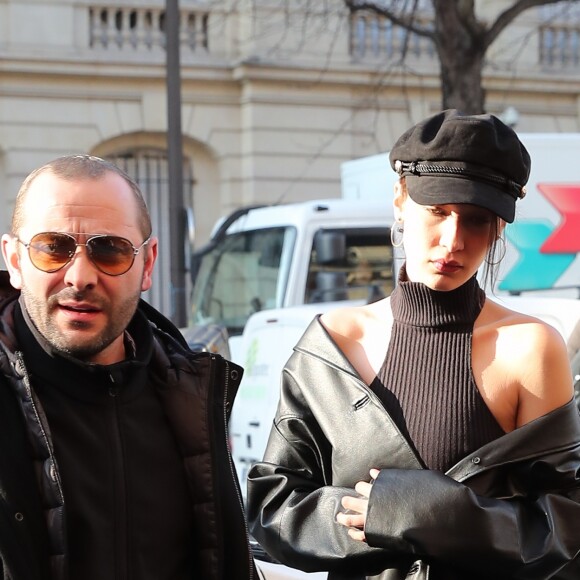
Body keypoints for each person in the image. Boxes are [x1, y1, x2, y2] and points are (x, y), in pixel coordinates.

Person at [246, 110, 580, 579]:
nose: (454, 240)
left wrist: (436, 516)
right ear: (401, 200)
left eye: (478, 220)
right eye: (439, 211)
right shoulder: (332, 344)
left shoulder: (528, 347)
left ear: (500, 228)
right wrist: (375, 517)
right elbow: (273, 506)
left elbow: (565, 527)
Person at [0, 155, 255, 580]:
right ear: (14, 260)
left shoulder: (192, 398)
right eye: (52, 248)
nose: (79, 276)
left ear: (148, 263)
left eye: (111, 251)